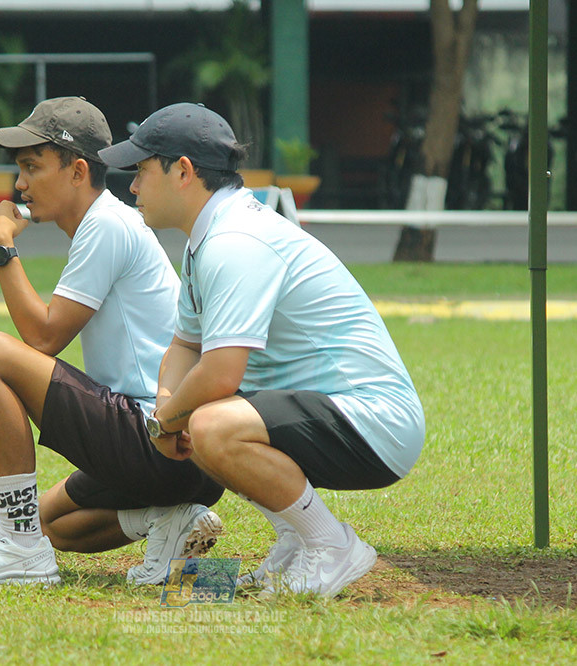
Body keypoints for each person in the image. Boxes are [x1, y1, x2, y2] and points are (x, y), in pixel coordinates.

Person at [98, 103, 425, 598]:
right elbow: (185, 344)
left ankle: (331, 545)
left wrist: (167, 421)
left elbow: (223, 370)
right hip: (333, 409)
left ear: (183, 171)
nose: (134, 187)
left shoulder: (235, 241)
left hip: (377, 422)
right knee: (200, 414)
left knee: (210, 421)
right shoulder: (205, 239)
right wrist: (166, 408)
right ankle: (297, 541)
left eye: (141, 171)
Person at [0, 97, 224, 587]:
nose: (19, 184)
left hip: (164, 437)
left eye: (31, 167)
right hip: (184, 458)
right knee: (50, 522)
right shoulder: (107, 223)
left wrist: (1, 244)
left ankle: (18, 552)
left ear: (78, 170)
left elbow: (42, 339)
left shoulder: (106, 224)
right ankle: (166, 520)